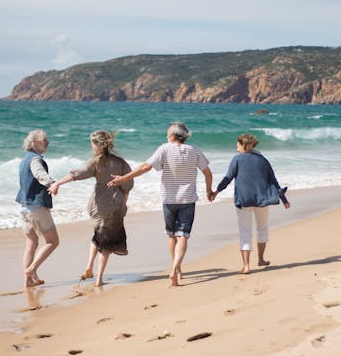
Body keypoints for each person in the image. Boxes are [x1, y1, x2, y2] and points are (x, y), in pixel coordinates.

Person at [108, 122, 212, 287]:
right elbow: (207, 173)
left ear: (172, 136)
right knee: (183, 236)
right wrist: (209, 191)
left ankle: (176, 270)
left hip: (168, 199)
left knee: (171, 235)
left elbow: (146, 167)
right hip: (188, 200)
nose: (166, 136)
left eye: (167, 133)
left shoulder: (164, 149)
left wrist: (124, 178)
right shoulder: (194, 151)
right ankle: (175, 269)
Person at [49, 131, 133, 287]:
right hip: (115, 207)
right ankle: (99, 279)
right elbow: (128, 187)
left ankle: (89, 266)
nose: (92, 147)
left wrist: (57, 183)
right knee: (106, 243)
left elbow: (76, 175)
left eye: (92, 144)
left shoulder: (95, 162)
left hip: (98, 205)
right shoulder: (121, 163)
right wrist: (123, 206)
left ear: (97, 145)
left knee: (98, 235)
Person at [210, 133, 290, 274]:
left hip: (244, 200)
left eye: (237, 145)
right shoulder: (262, 160)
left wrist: (216, 191)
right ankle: (261, 259)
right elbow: (274, 181)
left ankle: (246, 265)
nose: (236, 148)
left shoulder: (237, 159)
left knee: (245, 232)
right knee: (262, 229)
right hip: (262, 201)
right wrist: (284, 199)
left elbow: (228, 178)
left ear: (243, 144)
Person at [16, 129, 59, 288]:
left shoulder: (24, 160)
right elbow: (39, 174)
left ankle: (27, 282)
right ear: (34, 143)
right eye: (44, 140)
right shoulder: (34, 159)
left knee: (31, 244)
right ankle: (32, 270)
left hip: (24, 207)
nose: (47, 142)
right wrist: (52, 183)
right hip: (36, 208)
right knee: (53, 241)